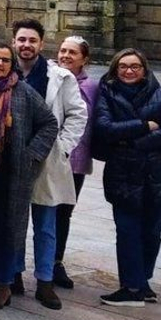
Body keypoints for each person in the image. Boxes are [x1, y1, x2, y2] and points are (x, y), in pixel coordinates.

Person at [92, 48, 161, 307]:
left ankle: (142, 281)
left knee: (152, 231)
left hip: (159, 174)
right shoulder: (107, 94)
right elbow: (104, 128)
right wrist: (144, 125)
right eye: (123, 66)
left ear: (144, 69)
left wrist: (132, 143)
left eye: (134, 66)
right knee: (127, 230)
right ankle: (132, 286)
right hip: (123, 175)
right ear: (115, 69)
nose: (129, 71)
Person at [13, 19, 88, 309]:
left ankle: (44, 280)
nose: (26, 45)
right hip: (14, 158)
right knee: (14, 221)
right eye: (21, 40)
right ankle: (13, 274)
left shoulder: (60, 77)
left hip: (47, 158)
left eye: (32, 40)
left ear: (41, 44)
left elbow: (77, 114)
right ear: (14, 41)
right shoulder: (9, 71)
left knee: (45, 224)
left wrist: (63, 147)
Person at [0, 42, 57, 311]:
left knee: (7, 230)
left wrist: (31, 154)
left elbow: (49, 123)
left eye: (5, 60)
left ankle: (3, 283)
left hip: (10, 174)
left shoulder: (22, 91)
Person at [52, 34, 97, 290]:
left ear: (84, 59)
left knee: (63, 212)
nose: (66, 56)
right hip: (48, 157)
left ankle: (56, 261)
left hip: (75, 160)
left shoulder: (90, 87)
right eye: (63, 51)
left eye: (72, 52)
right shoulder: (51, 77)